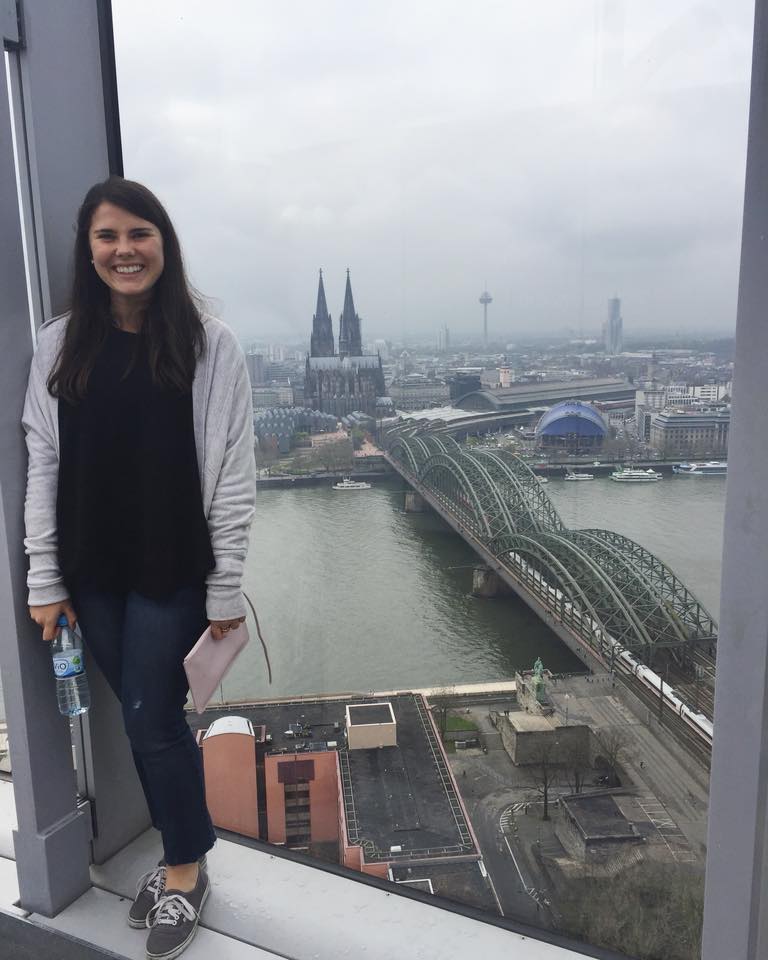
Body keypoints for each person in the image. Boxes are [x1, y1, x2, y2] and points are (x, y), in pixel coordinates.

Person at [22, 176, 256, 960]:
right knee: (145, 719)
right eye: (107, 237)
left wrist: (225, 587)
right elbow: (42, 464)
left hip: (172, 566)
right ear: (88, 251)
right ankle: (184, 852)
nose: (124, 250)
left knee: (152, 721)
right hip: (93, 567)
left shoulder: (209, 345)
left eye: (138, 234)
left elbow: (233, 475)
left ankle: (185, 868)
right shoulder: (59, 344)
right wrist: (45, 578)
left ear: (163, 242)